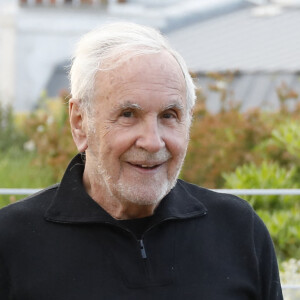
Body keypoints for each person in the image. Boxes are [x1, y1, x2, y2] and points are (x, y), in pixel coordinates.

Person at [0, 22, 283, 300]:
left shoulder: (238, 231)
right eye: (128, 114)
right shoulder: (12, 241)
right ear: (79, 122)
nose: (152, 141)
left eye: (169, 115)